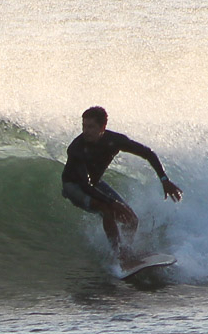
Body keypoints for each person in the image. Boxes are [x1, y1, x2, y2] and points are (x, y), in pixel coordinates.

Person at [61, 106, 183, 260]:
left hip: (95, 183)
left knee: (131, 219)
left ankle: (126, 250)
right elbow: (85, 185)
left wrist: (164, 180)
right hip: (74, 185)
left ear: (102, 127)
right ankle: (117, 255)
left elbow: (147, 153)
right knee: (106, 208)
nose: (86, 131)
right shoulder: (76, 149)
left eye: (90, 127)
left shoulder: (114, 141)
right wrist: (112, 202)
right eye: (84, 126)